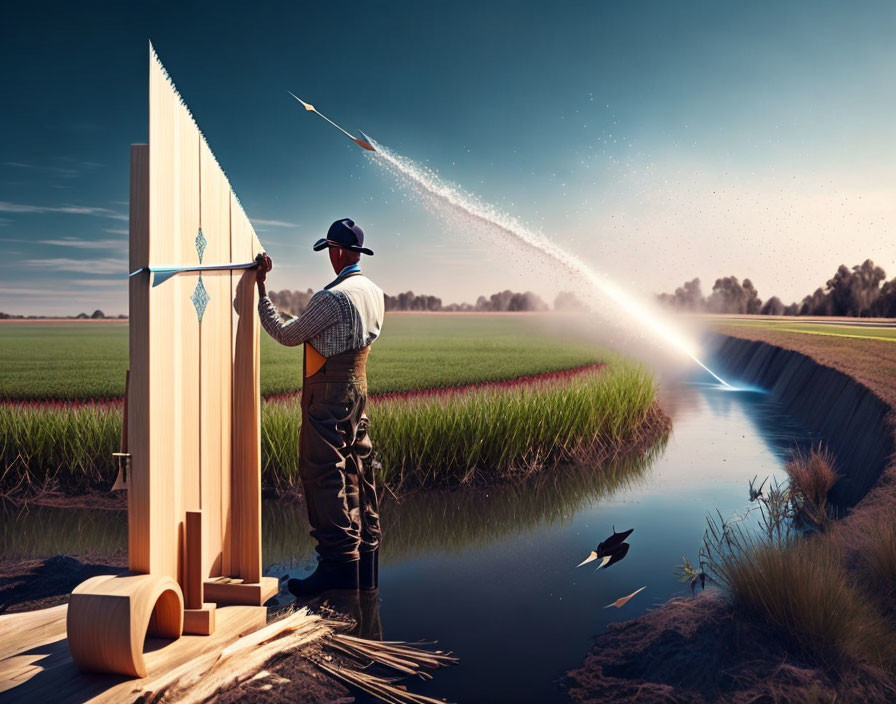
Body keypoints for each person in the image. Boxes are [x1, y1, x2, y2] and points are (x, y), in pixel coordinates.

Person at [255, 218, 385, 596]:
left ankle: (338, 567)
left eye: (329, 249)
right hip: (358, 390)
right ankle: (366, 562)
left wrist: (261, 290)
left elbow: (286, 334)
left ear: (340, 251)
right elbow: (337, 333)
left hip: (326, 395)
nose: (329, 257)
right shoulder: (374, 292)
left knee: (324, 473)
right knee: (359, 470)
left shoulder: (331, 298)